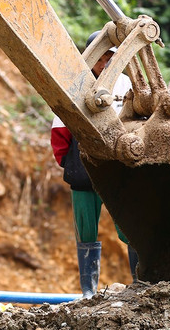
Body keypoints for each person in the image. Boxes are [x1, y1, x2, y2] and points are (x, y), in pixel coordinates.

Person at [51, 31, 135, 297]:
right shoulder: (74, 85)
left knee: (130, 226)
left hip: (119, 170)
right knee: (86, 230)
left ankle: (141, 284)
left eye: (111, 56)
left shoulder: (125, 84)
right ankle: (89, 290)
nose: (106, 62)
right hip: (83, 171)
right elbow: (60, 130)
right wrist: (70, 162)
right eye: (102, 57)